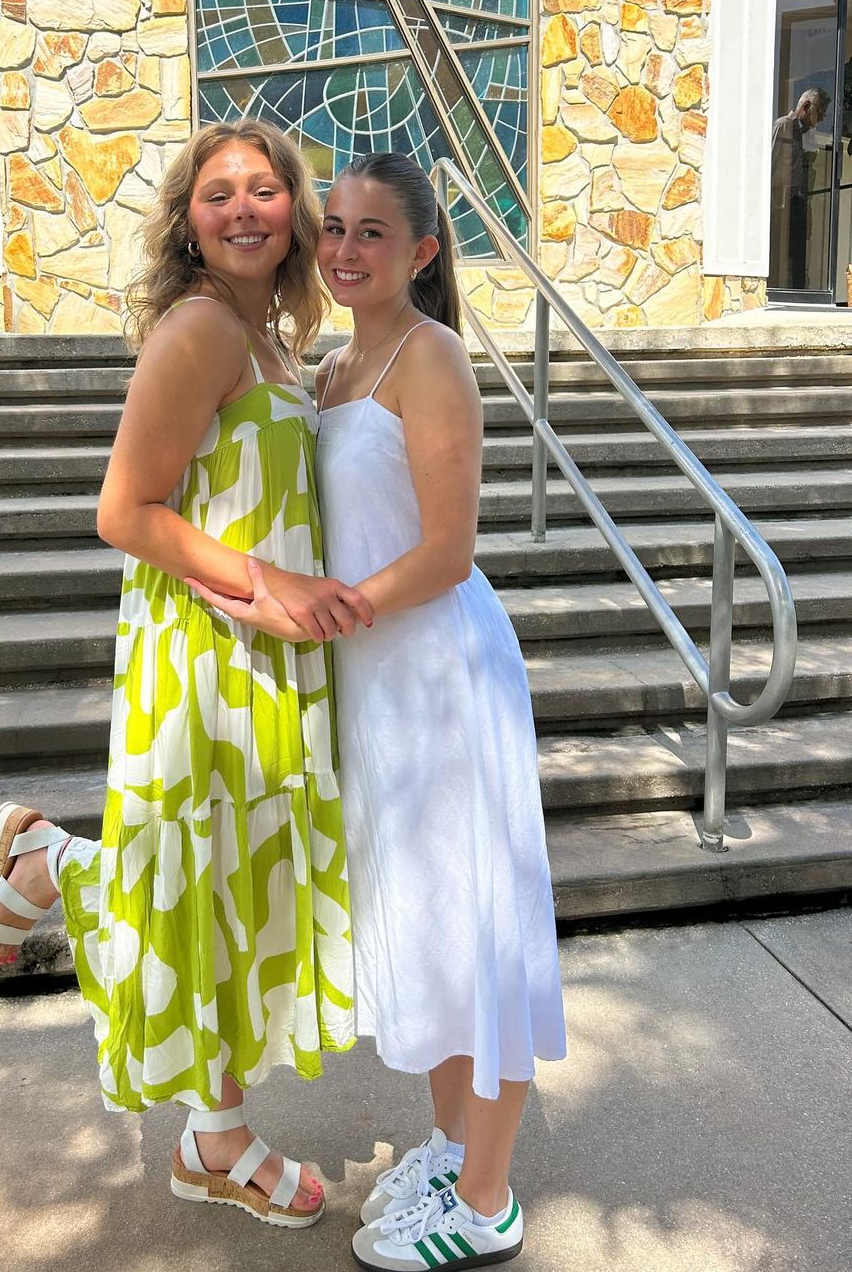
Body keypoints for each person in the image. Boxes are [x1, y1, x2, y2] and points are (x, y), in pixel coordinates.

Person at [0, 117, 372, 1229]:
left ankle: (52, 868)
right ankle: (213, 1132)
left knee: (232, 884)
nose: (243, 208)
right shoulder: (200, 330)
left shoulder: (270, 340)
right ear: (189, 224)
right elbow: (123, 510)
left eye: (264, 189)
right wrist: (269, 584)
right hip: (203, 648)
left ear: (296, 211)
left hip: (265, 645)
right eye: (216, 193)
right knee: (195, 882)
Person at [192, 153, 567, 1269]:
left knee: (479, 936)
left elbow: (447, 552)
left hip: (439, 678)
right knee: (435, 932)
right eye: (337, 228)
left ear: (423, 251)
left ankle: (488, 1201)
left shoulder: (430, 354)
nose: (345, 250)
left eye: (373, 233)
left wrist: (312, 614)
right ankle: (455, 1150)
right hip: (375, 687)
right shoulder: (334, 366)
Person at [770, 85, 831, 290]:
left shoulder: (807, 137)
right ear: (806, 106)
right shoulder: (783, 126)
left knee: (799, 259)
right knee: (780, 255)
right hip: (781, 204)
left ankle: (798, 292)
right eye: (820, 112)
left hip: (799, 205)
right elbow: (769, 166)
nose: (821, 119)